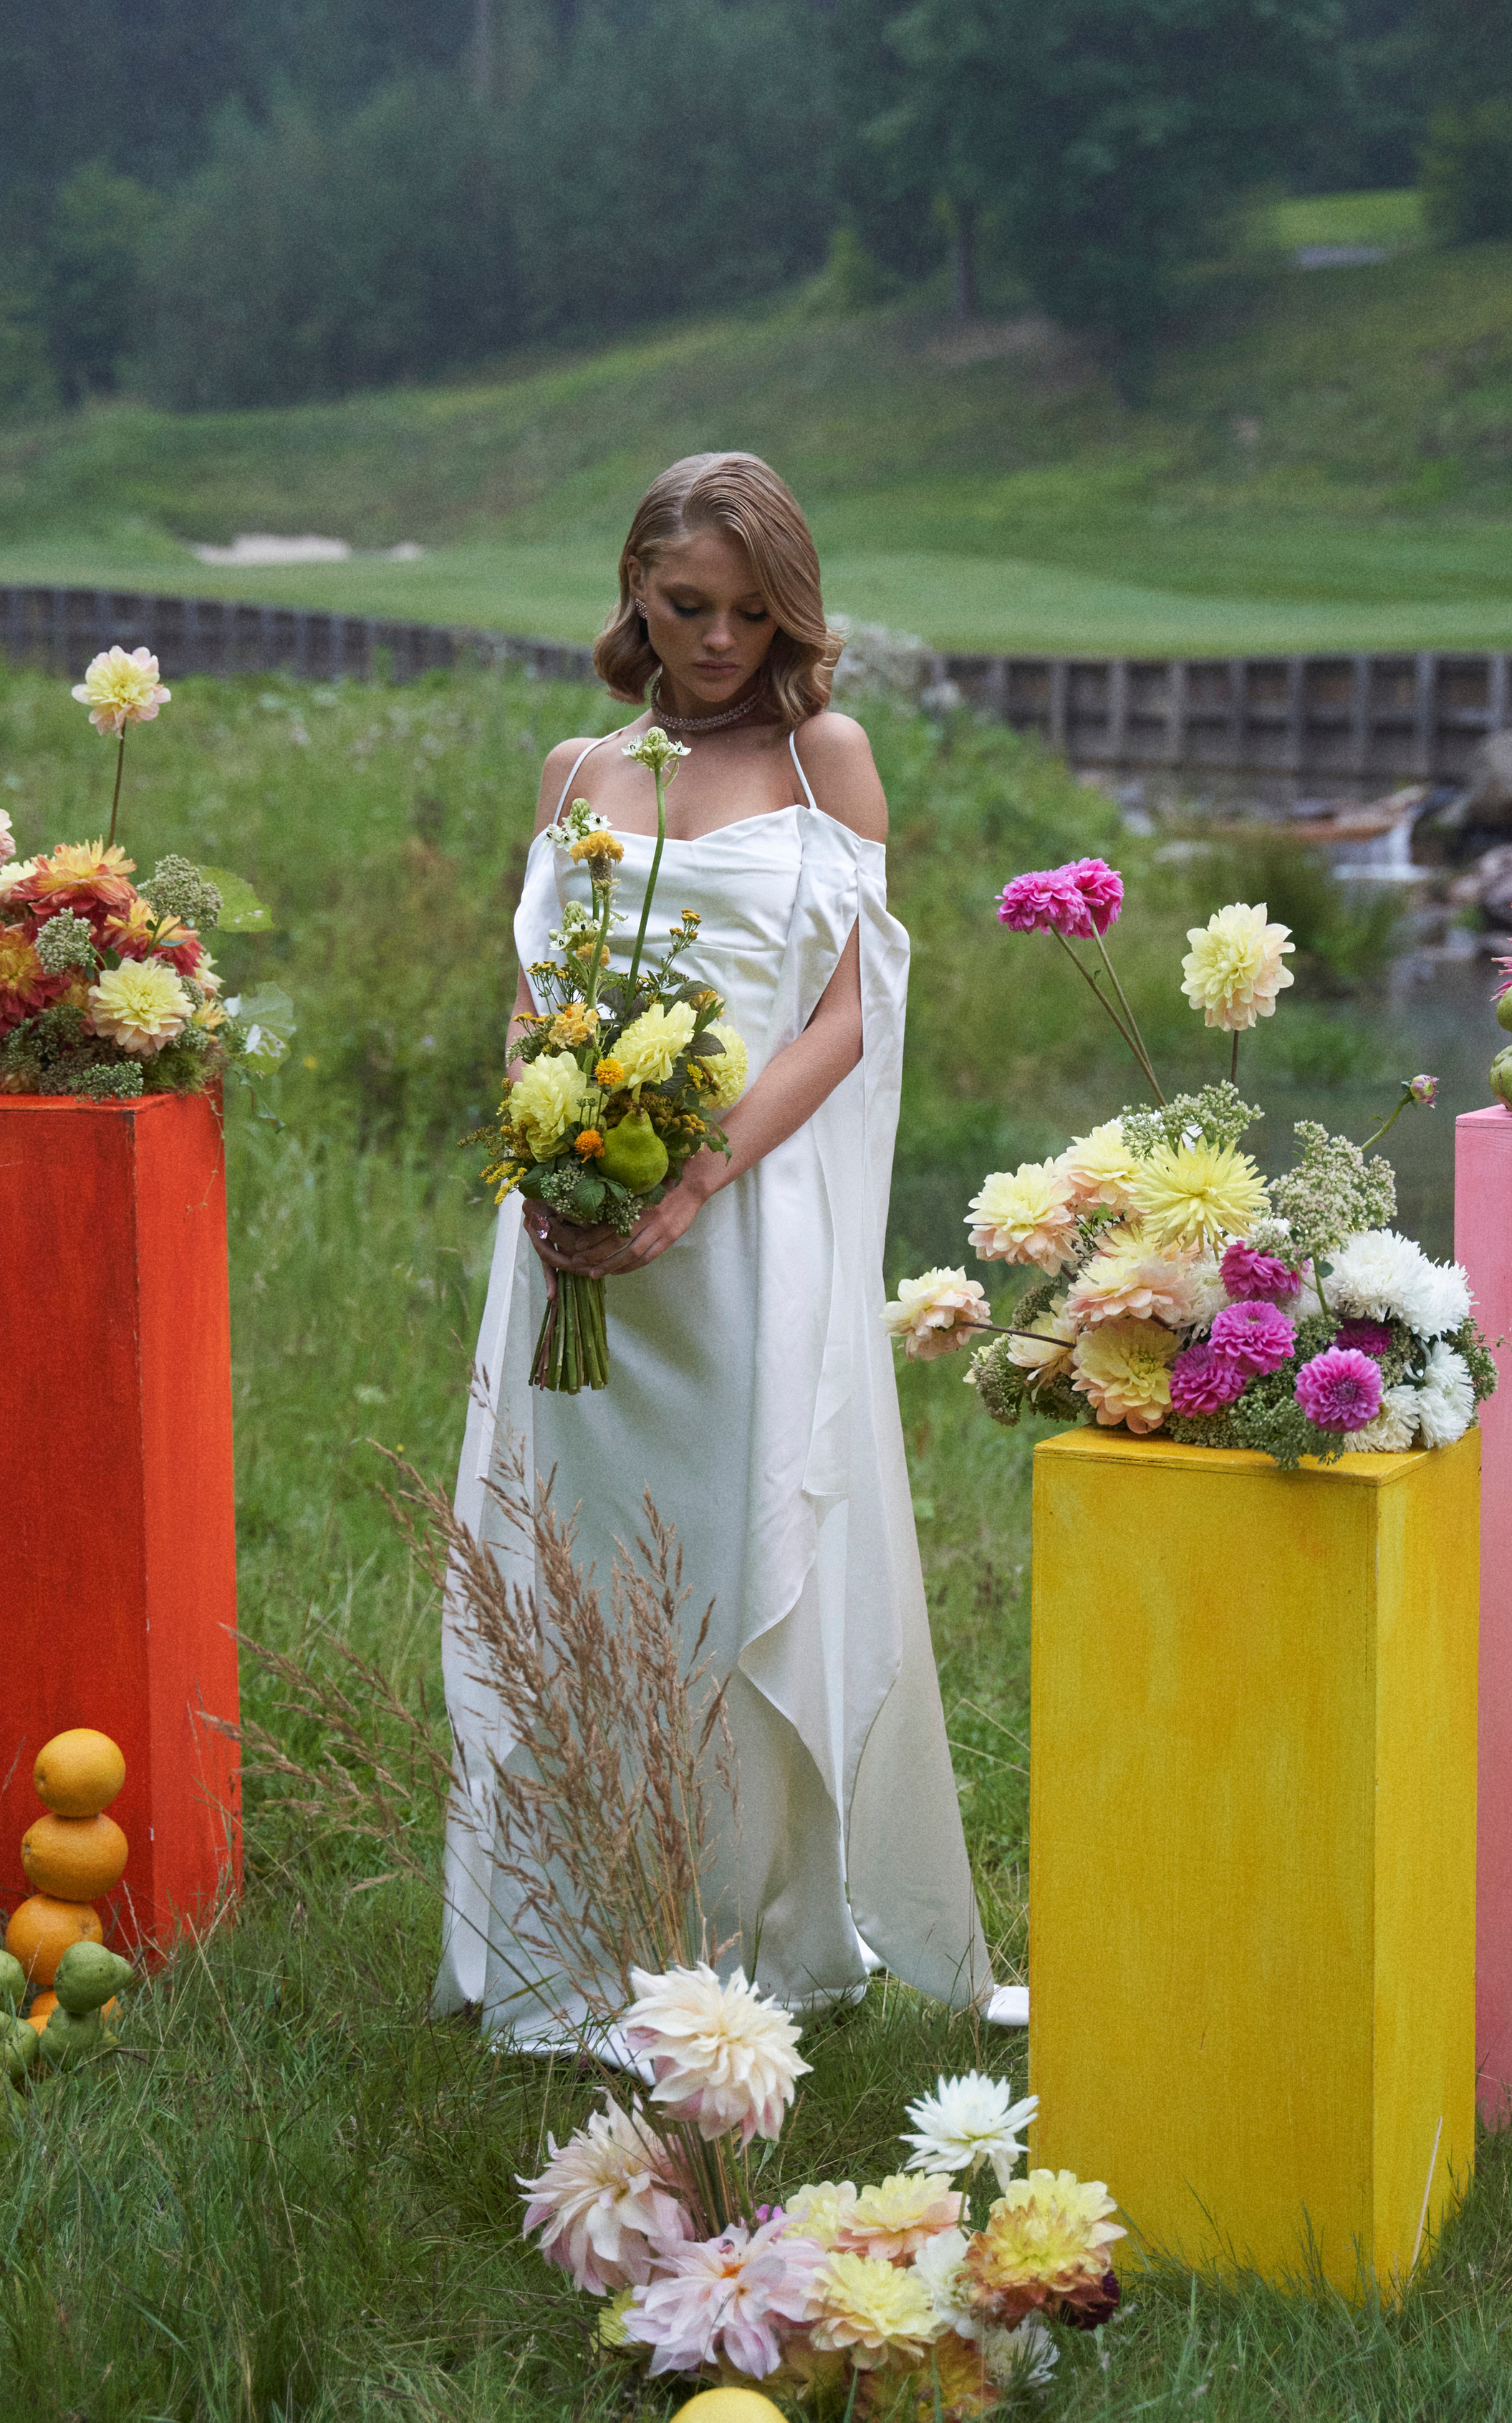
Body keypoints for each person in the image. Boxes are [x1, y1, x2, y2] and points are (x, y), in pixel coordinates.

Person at [435, 451, 990, 2038]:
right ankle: (569, 1932)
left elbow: (847, 1009)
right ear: (633, 589)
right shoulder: (577, 770)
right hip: (571, 1230)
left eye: (753, 612)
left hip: (745, 1234)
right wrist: (556, 1165)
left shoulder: (830, 761)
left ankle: (744, 1936)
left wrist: (693, 1180)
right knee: (577, 1559)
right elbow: (537, 996)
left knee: (738, 1555)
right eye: (688, 606)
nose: (721, 641)